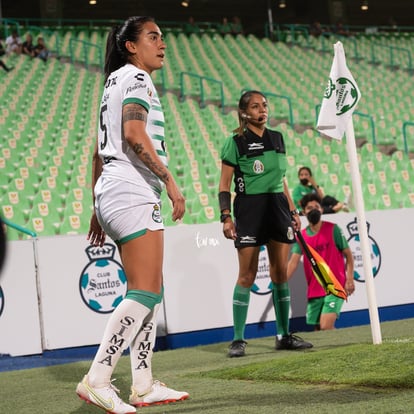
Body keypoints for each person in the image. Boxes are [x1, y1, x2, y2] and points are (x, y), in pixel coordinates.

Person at [75, 16, 189, 414]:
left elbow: (97, 151)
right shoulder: (138, 80)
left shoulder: (113, 82)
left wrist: (96, 207)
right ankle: (99, 378)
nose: (162, 44)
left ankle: (142, 383)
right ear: (130, 46)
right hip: (132, 191)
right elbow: (133, 135)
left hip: (112, 191)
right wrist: (170, 181)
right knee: (145, 292)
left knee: (149, 289)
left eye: (162, 37)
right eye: (153, 37)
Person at [219, 90, 313, 358]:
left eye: (265, 105)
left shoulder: (277, 138)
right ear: (245, 112)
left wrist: (293, 210)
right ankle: (238, 339)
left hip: (278, 209)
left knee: (280, 273)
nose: (263, 110)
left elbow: (281, 180)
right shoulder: (235, 142)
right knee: (247, 275)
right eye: (256, 106)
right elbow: (224, 184)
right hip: (249, 209)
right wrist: (226, 216)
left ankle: (283, 335)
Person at [287, 193, 355, 330]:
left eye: (316, 206)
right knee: (318, 330)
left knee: (325, 326)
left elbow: (348, 255)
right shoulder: (302, 236)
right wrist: (281, 282)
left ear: (322, 210)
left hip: (334, 286)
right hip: (314, 289)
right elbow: (293, 262)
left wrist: (350, 279)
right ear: (304, 212)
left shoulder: (333, 229)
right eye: (309, 207)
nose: (313, 210)